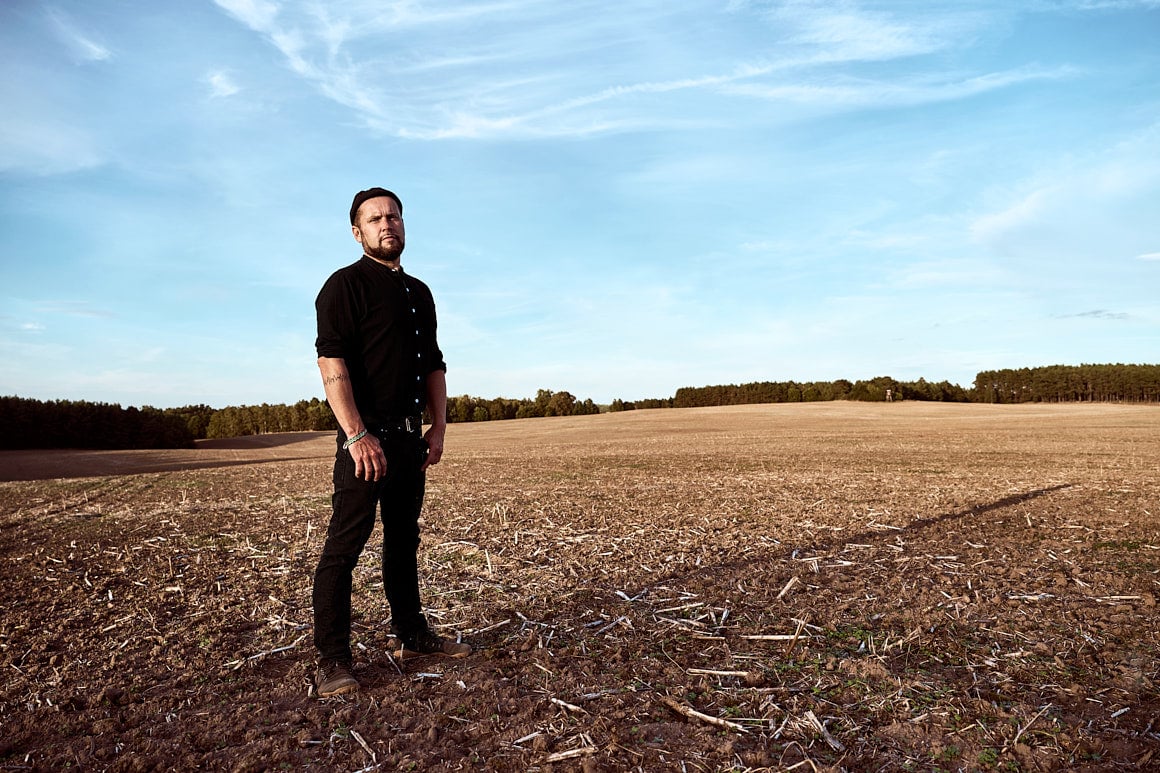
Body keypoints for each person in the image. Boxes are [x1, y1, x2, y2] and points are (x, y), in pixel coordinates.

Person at [311, 187, 470, 698]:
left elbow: (434, 365)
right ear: (357, 232)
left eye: (395, 216)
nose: (388, 224)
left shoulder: (419, 292)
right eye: (376, 218)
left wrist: (439, 427)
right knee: (345, 548)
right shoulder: (344, 286)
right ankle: (333, 660)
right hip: (364, 442)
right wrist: (356, 435)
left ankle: (413, 636)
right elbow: (331, 364)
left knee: (404, 542)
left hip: (409, 443)